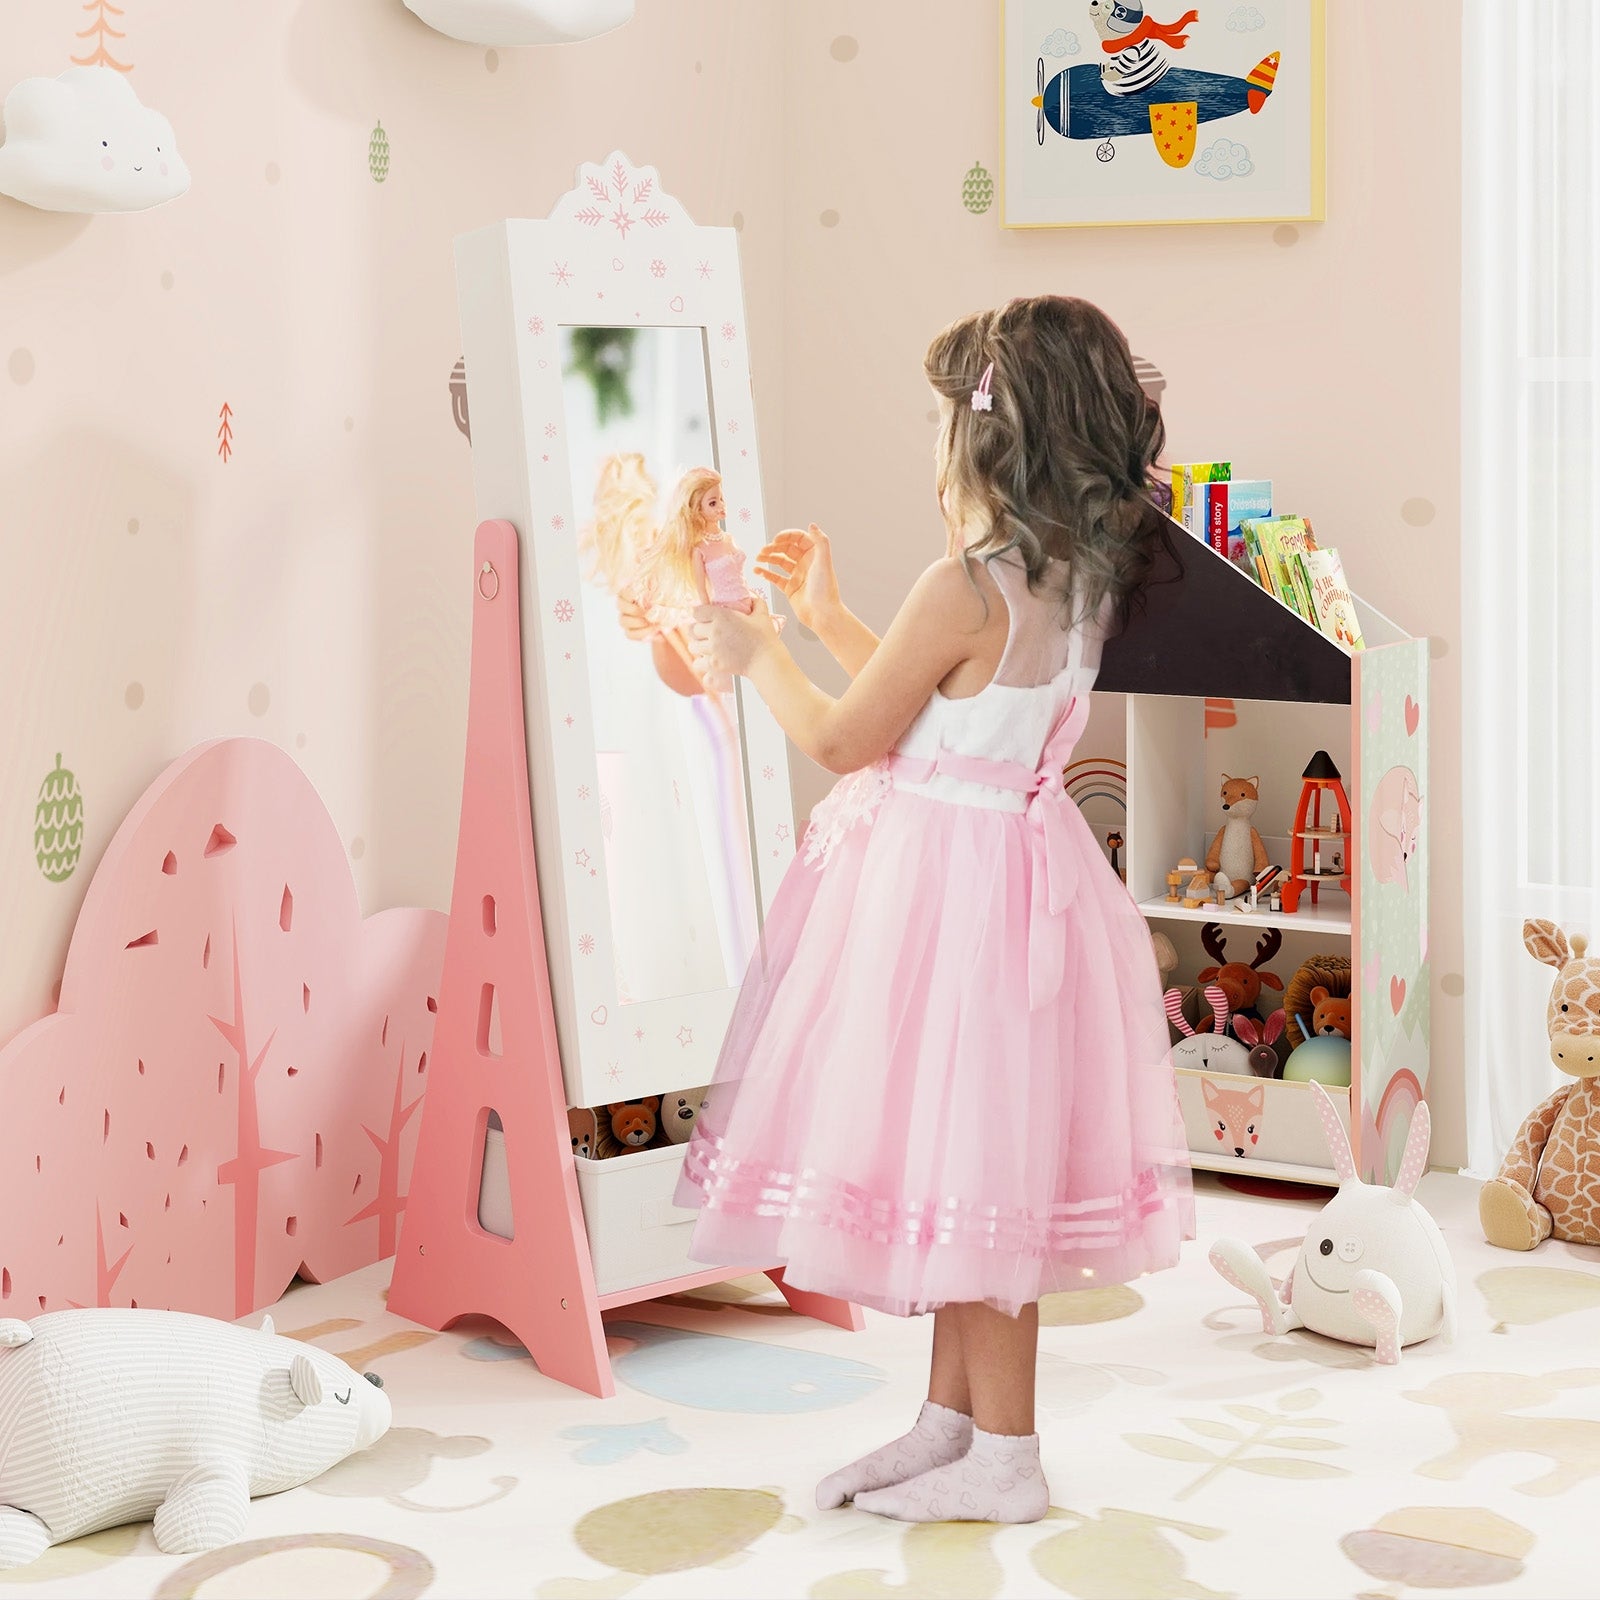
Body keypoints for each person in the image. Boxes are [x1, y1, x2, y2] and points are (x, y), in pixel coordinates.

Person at [672, 295, 1194, 1525]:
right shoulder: (1069, 574)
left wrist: (760, 657)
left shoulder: (963, 580)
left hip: (950, 896)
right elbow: (954, 706)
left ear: (984, 436)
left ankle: (1004, 1456)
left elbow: (855, 737)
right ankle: (952, 1423)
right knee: (973, 1150)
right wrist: (830, 618)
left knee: (975, 1169)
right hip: (1017, 877)